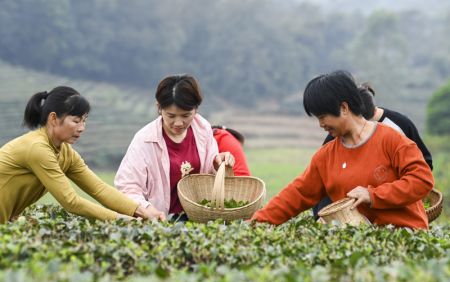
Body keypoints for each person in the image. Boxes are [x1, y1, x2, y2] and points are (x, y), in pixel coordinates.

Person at [251, 70, 434, 229]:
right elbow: (296, 194)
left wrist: (373, 195)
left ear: (344, 108)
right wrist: (256, 223)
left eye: (323, 117)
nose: (321, 124)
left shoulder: (391, 139)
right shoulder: (326, 156)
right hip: (360, 245)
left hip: (405, 237)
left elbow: (422, 180)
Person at [0, 86, 163, 224]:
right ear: (53, 118)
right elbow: (71, 202)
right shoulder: (37, 148)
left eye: (84, 120)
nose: (82, 128)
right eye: (76, 121)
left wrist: (143, 211)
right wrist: (121, 220)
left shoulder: (65, 153)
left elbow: (99, 189)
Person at [115, 75, 234, 221]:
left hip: (199, 219)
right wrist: (146, 208)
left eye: (186, 115)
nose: (178, 123)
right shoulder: (145, 140)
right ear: (159, 108)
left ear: (195, 109)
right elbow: (127, 186)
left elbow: (210, 180)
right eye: (171, 115)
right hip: (161, 220)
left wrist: (217, 165)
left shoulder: (203, 130)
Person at [312, 82, 434, 219]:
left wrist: (391, 189)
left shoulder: (399, 125)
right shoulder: (340, 135)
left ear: (374, 112)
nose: (361, 133)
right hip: (352, 213)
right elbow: (321, 180)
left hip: (395, 205)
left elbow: (424, 167)